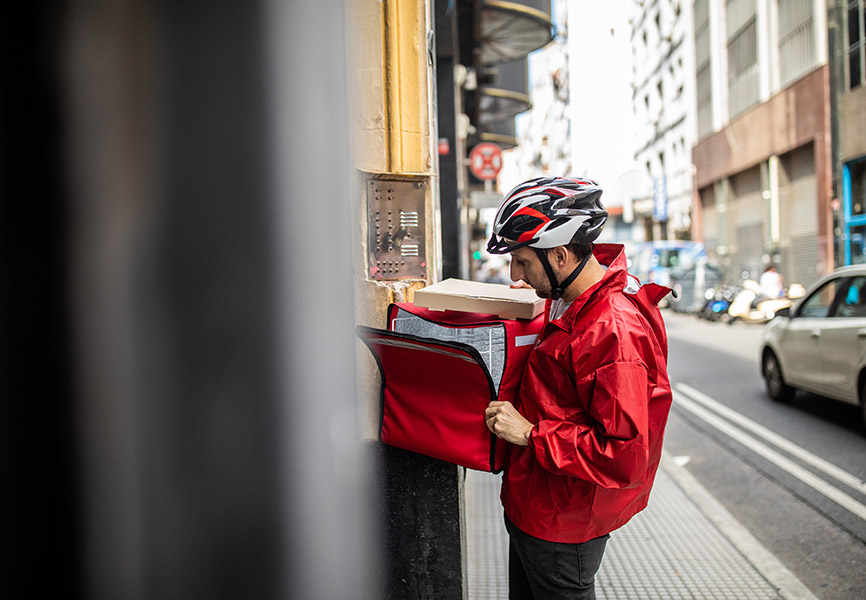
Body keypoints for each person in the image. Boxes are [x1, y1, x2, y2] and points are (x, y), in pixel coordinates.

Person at [483, 176, 673, 600]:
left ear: (561, 255)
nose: (516, 274)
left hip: (561, 523)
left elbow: (622, 453)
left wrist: (530, 433)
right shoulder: (571, 296)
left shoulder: (611, 331)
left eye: (523, 262)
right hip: (536, 499)